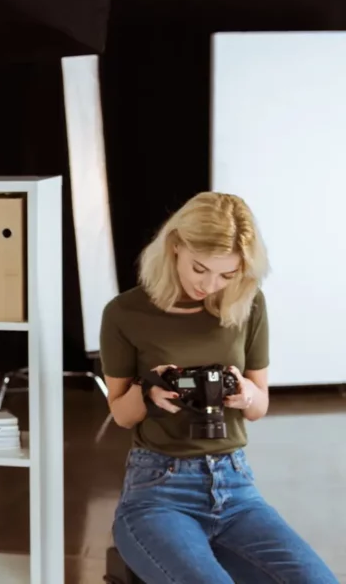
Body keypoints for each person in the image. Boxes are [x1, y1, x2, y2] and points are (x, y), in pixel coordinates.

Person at [99, 192, 336, 583]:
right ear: (175, 247)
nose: (210, 284)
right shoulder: (125, 313)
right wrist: (150, 392)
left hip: (236, 486)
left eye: (227, 275)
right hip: (158, 492)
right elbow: (122, 415)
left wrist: (245, 392)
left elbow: (259, 406)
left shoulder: (249, 305)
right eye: (200, 269)